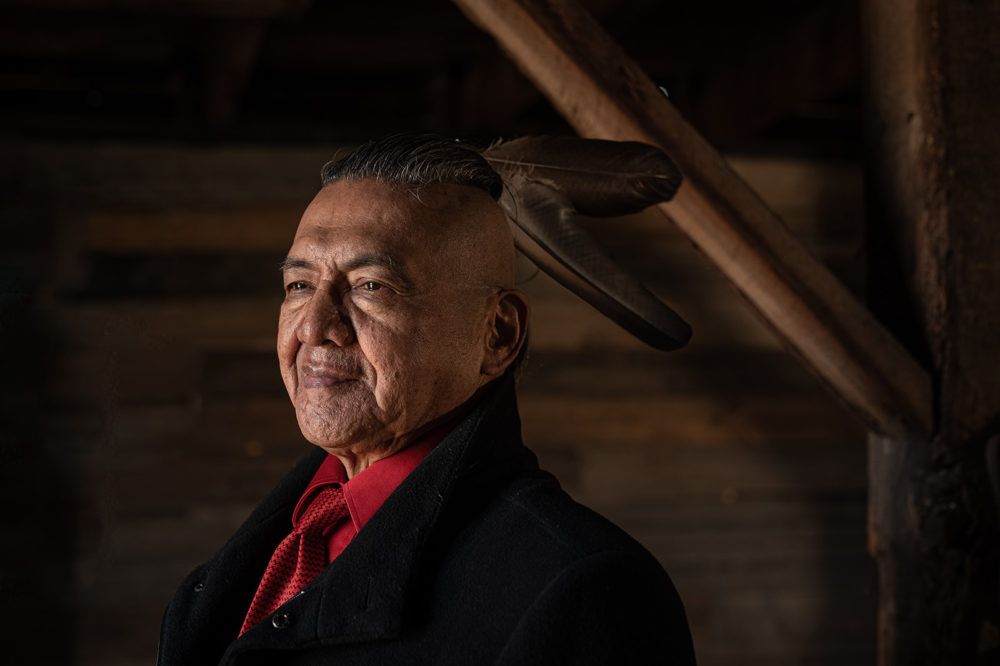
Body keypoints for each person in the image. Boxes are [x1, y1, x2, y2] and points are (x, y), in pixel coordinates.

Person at [157, 134, 696, 665]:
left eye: (371, 286)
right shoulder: (275, 544)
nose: (315, 327)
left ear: (498, 334)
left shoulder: (585, 587)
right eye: (299, 285)